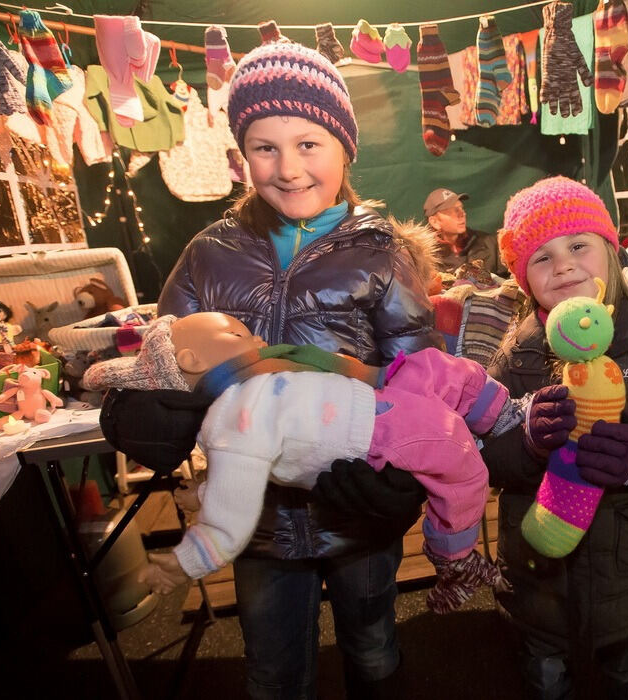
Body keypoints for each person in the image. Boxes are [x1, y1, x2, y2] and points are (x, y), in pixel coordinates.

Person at [151, 41, 443, 698]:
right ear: (240, 153)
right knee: (273, 669)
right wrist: (147, 406)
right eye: (264, 146)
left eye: (308, 144)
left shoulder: (381, 252)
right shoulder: (207, 253)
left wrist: (398, 474)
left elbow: (420, 372)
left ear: (344, 147)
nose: (287, 168)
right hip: (250, 516)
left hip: (359, 505)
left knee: (372, 646)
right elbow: (164, 359)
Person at [83, 312, 510, 613]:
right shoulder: (234, 416)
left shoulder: (246, 393)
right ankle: (455, 559)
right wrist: (184, 562)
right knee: (461, 462)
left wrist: (203, 492)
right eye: (239, 336)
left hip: (379, 398)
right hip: (378, 432)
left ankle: (505, 416)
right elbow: (229, 518)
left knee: (432, 366)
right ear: (191, 362)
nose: (259, 342)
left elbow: (233, 472)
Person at [477, 176, 628, 698]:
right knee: (544, 676)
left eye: (577, 246)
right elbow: (485, 455)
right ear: (523, 280)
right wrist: (528, 444)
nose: (562, 265)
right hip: (537, 576)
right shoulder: (515, 355)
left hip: (623, 576)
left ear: (610, 252)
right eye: (541, 257)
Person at [424, 187, 506, 278]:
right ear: (435, 222)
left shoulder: (490, 243)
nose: (462, 214)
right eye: (453, 210)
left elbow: (508, 282)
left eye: (461, 208)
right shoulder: (423, 258)